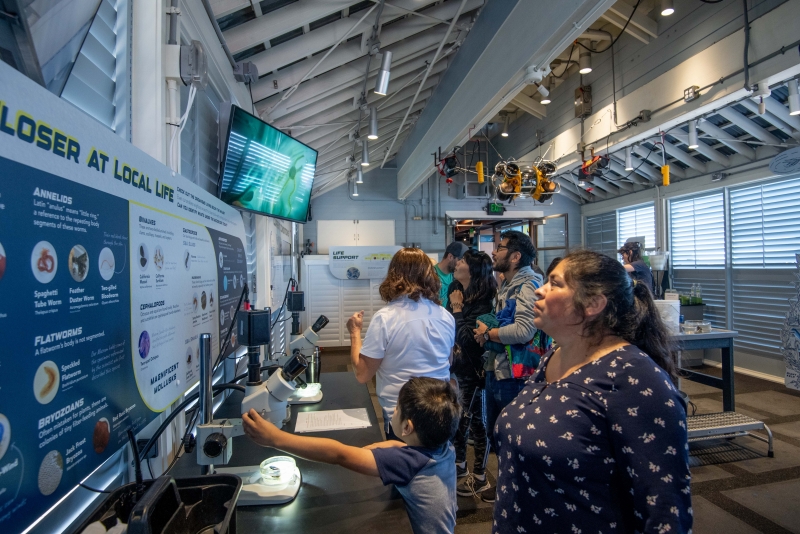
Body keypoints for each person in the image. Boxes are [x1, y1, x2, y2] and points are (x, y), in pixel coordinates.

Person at [492, 250, 692, 534]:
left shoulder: (633, 378)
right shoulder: (554, 356)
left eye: (555, 283)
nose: (539, 290)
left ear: (593, 304)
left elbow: (664, 510)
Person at [242, 377, 461, 534]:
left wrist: (275, 438)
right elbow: (404, 449)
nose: (393, 411)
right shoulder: (444, 447)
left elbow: (339, 454)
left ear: (407, 427)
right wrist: (390, 446)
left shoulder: (406, 464)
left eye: (396, 408)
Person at [347, 248, 455, 440]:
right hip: (440, 413)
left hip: (403, 418)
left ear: (394, 275)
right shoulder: (446, 317)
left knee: (402, 468)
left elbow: (363, 374)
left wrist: (355, 333)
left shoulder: (386, 318)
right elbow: (448, 361)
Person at [472, 230, 544, 502]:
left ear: (515, 256)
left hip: (514, 376)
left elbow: (525, 331)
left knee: (513, 437)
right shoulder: (508, 283)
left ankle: (517, 492)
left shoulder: (527, 285)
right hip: (500, 369)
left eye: (500, 248)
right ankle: (508, 487)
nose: (494, 251)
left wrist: (487, 334)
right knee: (500, 434)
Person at [445, 250, 497, 496]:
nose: (457, 263)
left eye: (463, 261)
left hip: (476, 368)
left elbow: (468, 339)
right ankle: (460, 466)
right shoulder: (454, 287)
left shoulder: (486, 299)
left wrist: (457, 309)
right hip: (455, 366)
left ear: (474, 270)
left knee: (477, 421)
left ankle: (480, 475)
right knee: (459, 418)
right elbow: (449, 329)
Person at [435, 242, 469, 308]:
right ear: (450, 257)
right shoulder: (430, 276)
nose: (460, 264)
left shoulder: (456, 278)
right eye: (460, 260)